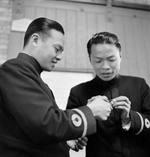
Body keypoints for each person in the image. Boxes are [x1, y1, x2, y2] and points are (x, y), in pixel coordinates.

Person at [0, 18, 113, 157]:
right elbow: (44, 123)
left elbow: (30, 133)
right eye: (57, 49)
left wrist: (64, 141)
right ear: (35, 40)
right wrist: (90, 111)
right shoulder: (14, 70)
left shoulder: (32, 77)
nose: (59, 57)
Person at [67, 32, 150, 157]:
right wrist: (85, 118)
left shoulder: (139, 85)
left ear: (120, 56)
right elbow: (69, 133)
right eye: (98, 61)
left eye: (111, 59)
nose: (105, 67)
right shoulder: (78, 92)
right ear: (90, 60)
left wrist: (129, 118)